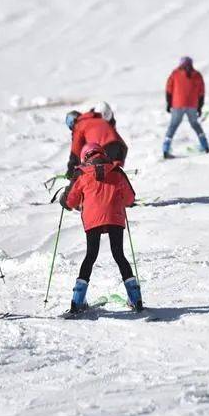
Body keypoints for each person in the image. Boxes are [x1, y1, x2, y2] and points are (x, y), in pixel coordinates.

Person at [59, 142, 142, 315]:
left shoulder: (81, 174)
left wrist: (64, 199)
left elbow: (70, 202)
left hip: (93, 219)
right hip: (115, 217)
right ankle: (136, 299)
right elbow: (130, 198)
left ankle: (77, 301)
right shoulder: (116, 171)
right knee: (119, 254)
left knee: (91, 255)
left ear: (85, 157)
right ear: (102, 153)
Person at [163, 56, 209, 158]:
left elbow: (169, 89)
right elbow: (201, 92)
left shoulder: (175, 73)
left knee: (173, 126)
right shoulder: (197, 75)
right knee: (195, 125)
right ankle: (205, 146)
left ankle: (166, 149)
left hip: (177, 104)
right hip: (192, 105)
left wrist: (168, 103)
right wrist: (200, 107)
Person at [65, 109, 127, 177]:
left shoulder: (79, 124)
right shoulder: (98, 119)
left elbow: (76, 150)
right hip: (121, 146)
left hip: (104, 147)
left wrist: (71, 170)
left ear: (72, 122)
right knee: (113, 172)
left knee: (103, 174)